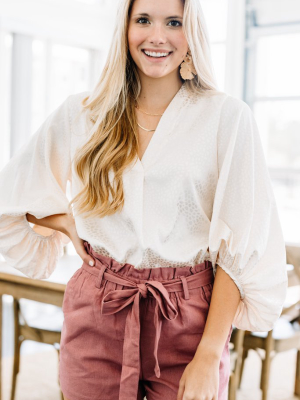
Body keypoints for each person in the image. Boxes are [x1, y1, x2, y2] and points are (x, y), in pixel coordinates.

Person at [0, 0, 288, 399]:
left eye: (174, 22)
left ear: (192, 33)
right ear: (125, 28)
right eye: (143, 20)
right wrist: (66, 221)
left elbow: (242, 248)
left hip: (189, 321)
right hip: (98, 307)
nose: (157, 36)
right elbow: (10, 196)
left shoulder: (227, 118)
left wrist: (208, 353)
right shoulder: (83, 113)